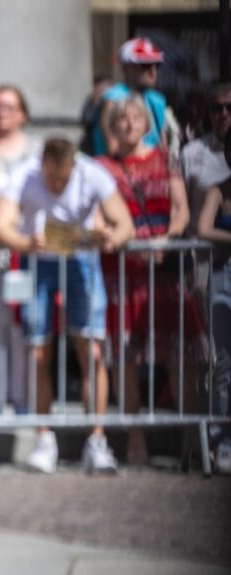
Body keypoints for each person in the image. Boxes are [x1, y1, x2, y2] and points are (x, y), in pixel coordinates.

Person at [0, 138, 135, 474]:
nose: (57, 185)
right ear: (41, 165)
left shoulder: (92, 173)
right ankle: (44, 439)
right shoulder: (24, 174)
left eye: (64, 178)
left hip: (82, 259)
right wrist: (24, 241)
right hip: (39, 261)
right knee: (38, 352)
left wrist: (111, 239)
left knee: (92, 351)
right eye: (52, 178)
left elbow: (124, 223)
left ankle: (96, 440)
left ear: (74, 166)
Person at [96, 94, 196, 463]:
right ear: (112, 126)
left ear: (146, 124)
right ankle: (135, 438)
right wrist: (130, 245)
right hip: (122, 271)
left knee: (179, 353)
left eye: (136, 117)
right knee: (124, 358)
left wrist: (166, 241)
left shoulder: (165, 160)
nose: (129, 123)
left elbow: (181, 210)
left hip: (162, 270)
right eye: (122, 118)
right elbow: (98, 215)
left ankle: (192, 438)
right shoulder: (102, 166)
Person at [0, 84, 42, 414]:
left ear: (22, 114)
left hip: (23, 256)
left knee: (20, 327)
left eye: (9, 106)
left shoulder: (36, 150)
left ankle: (22, 397)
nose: (2, 112)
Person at [196, 130, 231, 472]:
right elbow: (204, 229)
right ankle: (223, 442)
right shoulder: (218, 191)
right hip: (224, 276)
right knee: (224, 364)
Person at [93, 37, 181, 161]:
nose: (153, 71)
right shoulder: (113, 98)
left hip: (151, 166)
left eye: (157, 65)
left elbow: (163, 146)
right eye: (146, 65)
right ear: (127, 68)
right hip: (120, 167)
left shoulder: (157, 100)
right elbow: (112, 147)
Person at [183, 82, 231, 233]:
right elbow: (181, 207)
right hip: (200, 246)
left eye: (230, 107)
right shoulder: (191, 153)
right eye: (217, 108)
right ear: (209, 113)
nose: (224, 113)